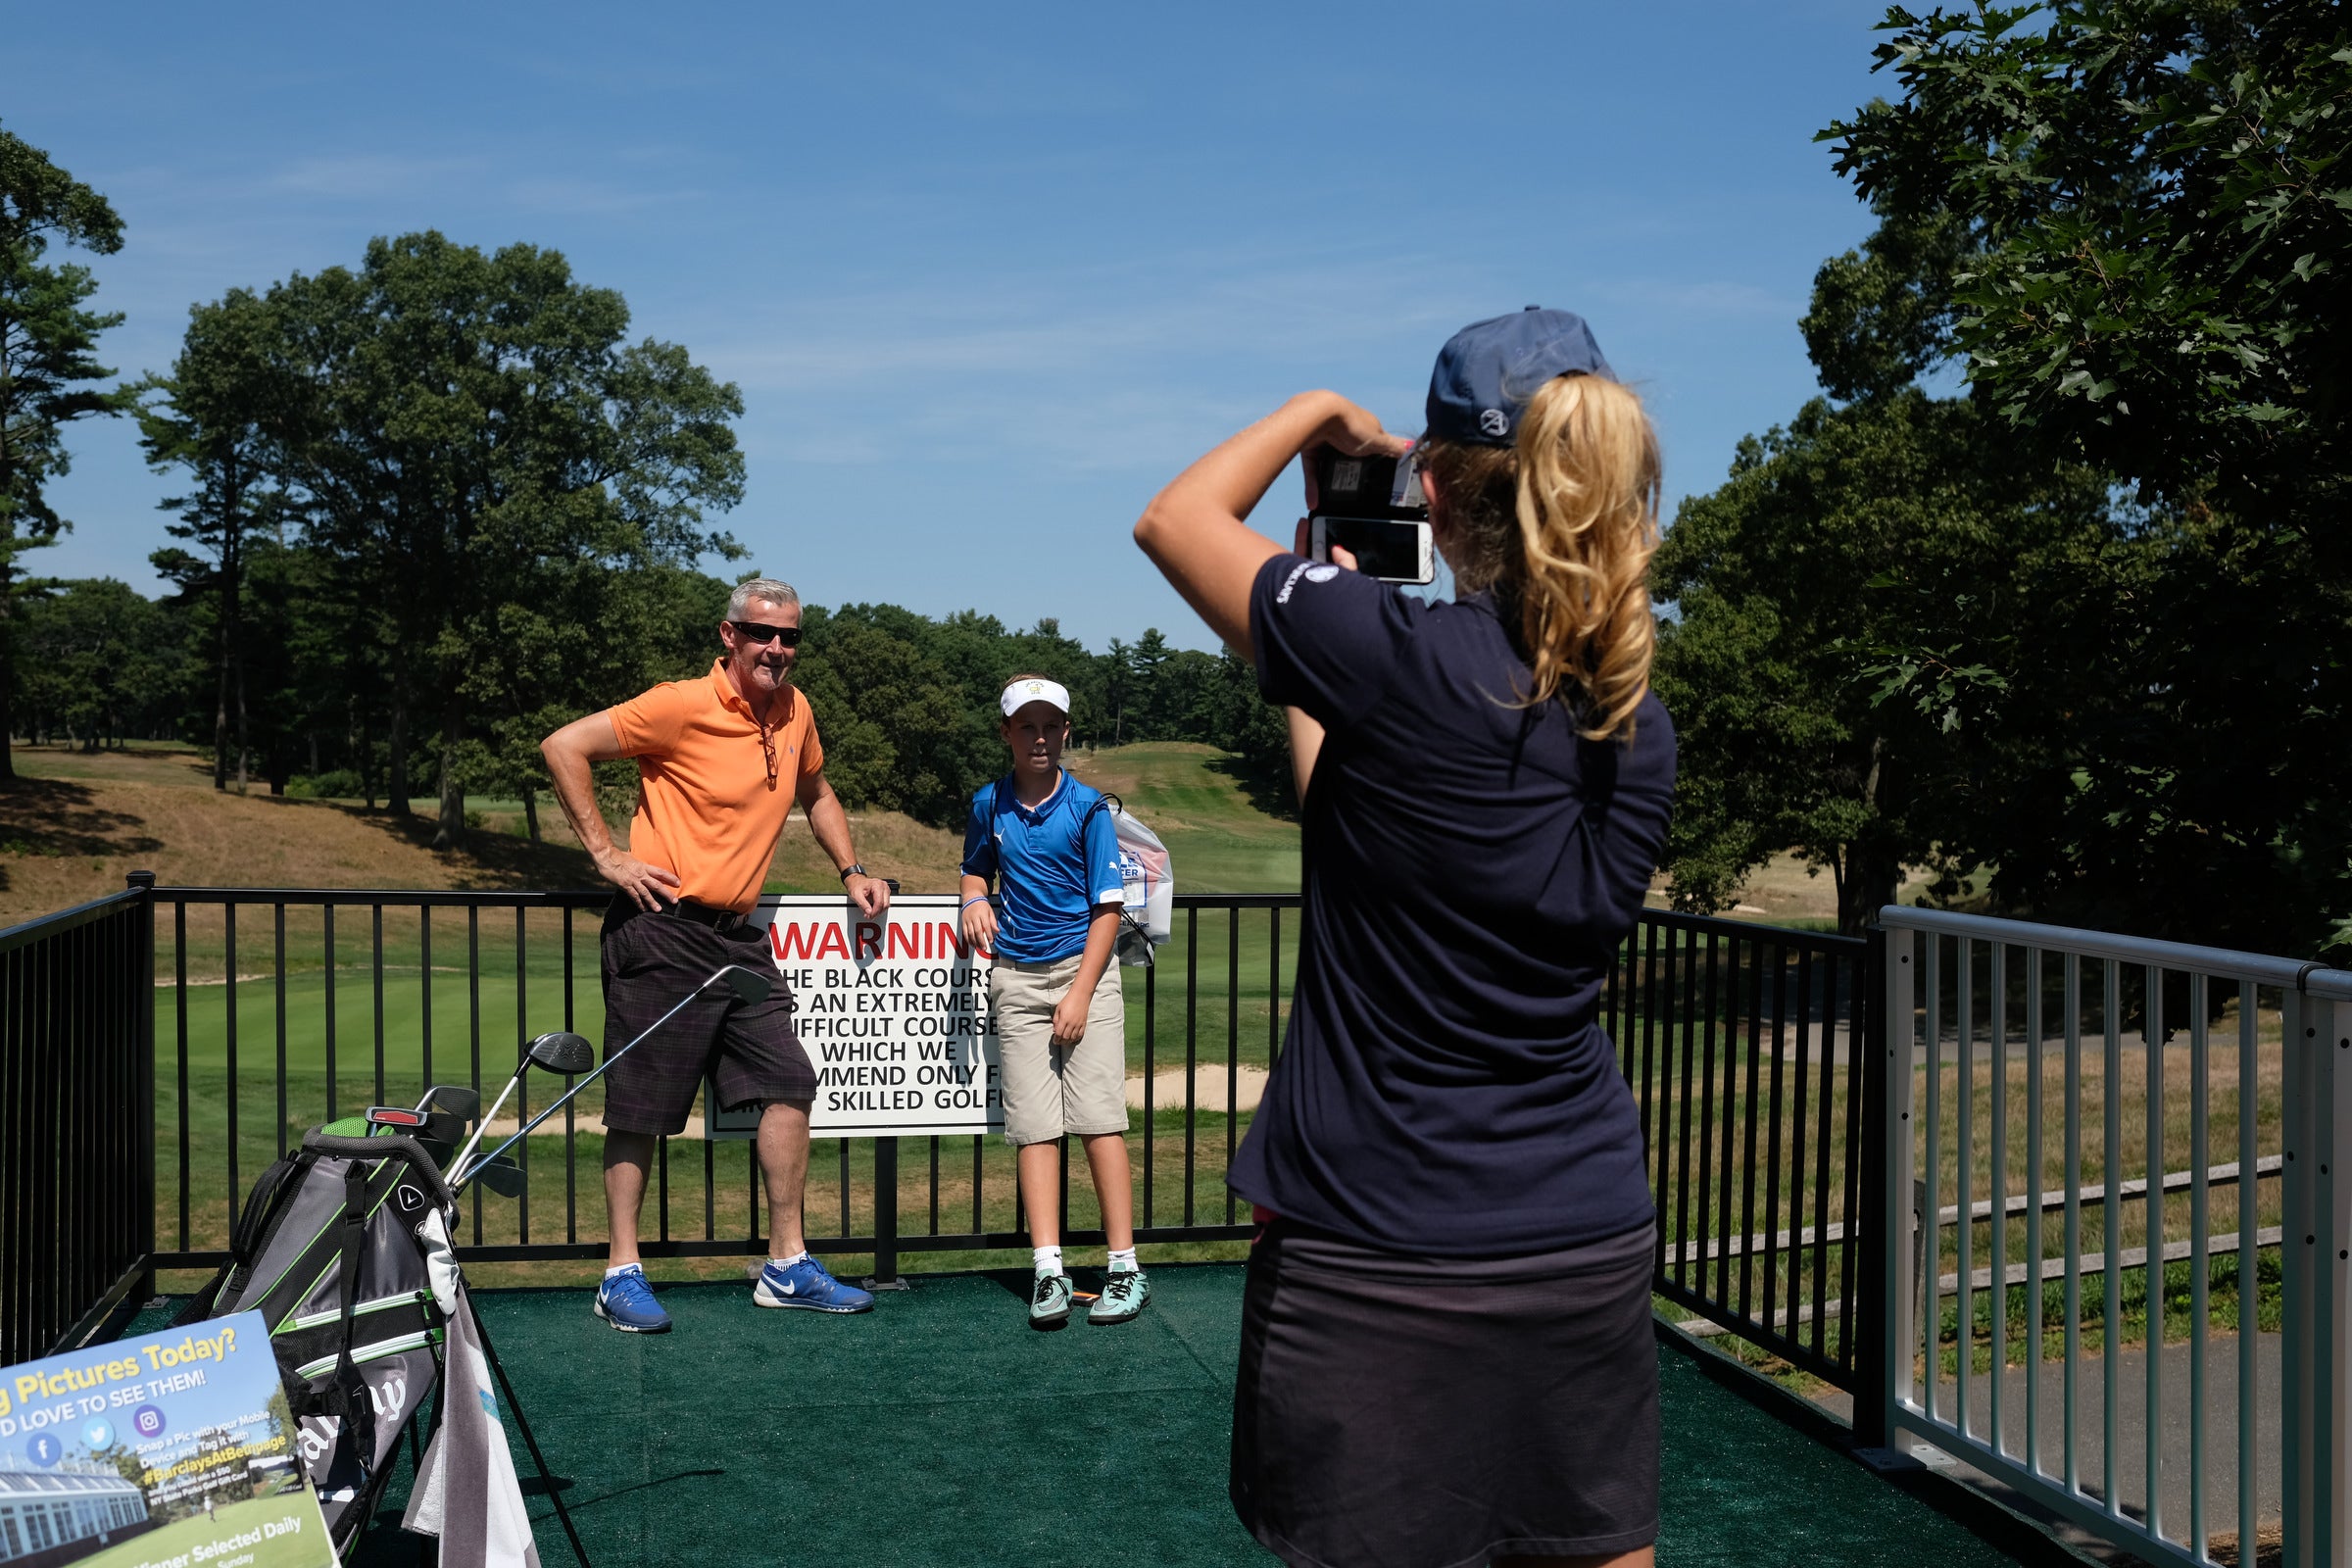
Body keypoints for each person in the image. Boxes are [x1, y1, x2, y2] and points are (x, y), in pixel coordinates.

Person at [1133, 309, 1676, 1568]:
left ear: (1436, 484)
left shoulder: (1392, 655)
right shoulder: (1637, 717)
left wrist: (1320, 411)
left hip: (1377, 1256)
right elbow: (1359, 806)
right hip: (1582, 1236)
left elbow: (1175, 520)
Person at [541, 576, 892, 1333]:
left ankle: (786, 1265)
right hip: (661, 926)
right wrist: (606, 855)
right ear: (728, 636)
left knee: (790, 1080)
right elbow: (564, 746)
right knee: (643, 1107)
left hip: (736, 939)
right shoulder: (678, 704)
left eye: (790, 636)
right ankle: (620, 1273)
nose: (778, 649)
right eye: (763, 633)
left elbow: (818, 790)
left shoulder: (796, 710)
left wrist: (852, 869)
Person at [958, 675, 1149, 1328]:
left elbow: (1109, 910)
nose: (1039, 737)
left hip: (1083, 976)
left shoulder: (1090, 808)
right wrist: (973, 896)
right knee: (1035, 1130)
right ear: (1006, 733)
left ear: (1065, 732)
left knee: (1098, 1122)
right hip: (1015, 978)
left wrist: (1079, 993)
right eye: (1026, 726)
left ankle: (1124, 1265)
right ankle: (1049, 1270)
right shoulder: (988, 803)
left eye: (1050, 726)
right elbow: (976, 866)